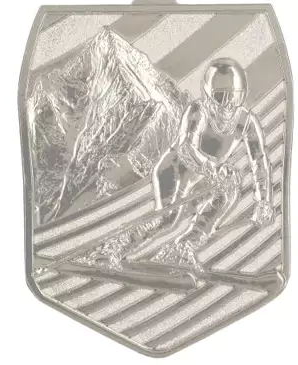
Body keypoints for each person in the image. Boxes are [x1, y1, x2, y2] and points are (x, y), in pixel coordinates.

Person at [86, 58, 274, 272]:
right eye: (221, 97)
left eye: (235, 97)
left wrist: (264, 201)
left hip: (202, 177)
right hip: (174, 170)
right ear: (208, 95)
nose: (228, 106)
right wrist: (212, 168)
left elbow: (259, 160)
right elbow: (186, 148)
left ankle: (183, 248)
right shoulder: (198, 111)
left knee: (230, 185)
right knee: (167, 218)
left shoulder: (246, 121)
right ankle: (112, 249)